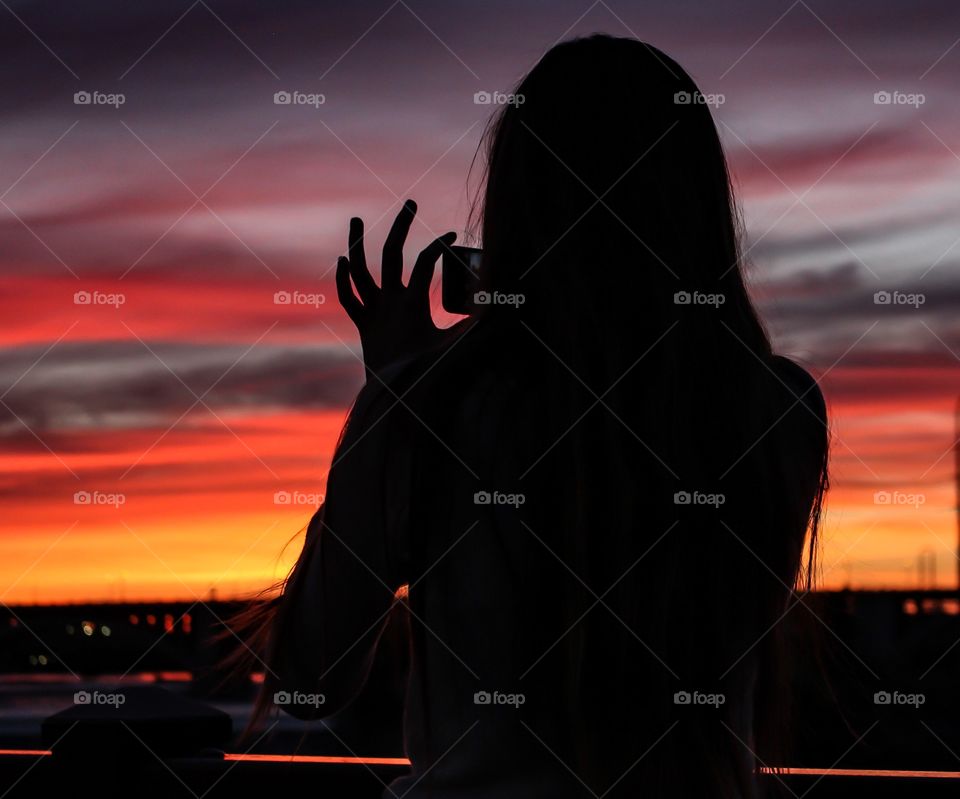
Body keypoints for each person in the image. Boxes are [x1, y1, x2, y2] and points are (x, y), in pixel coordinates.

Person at [248, 34, 828, 798]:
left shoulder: (434, 406)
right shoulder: (775, 409)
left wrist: (395, 388)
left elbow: (309, 680)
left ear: (519, 202)